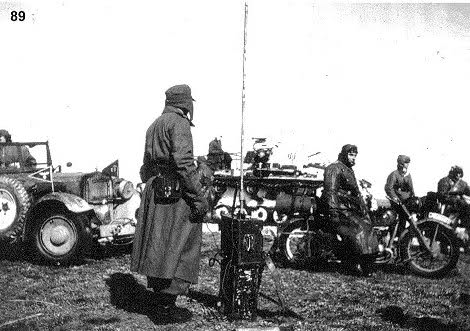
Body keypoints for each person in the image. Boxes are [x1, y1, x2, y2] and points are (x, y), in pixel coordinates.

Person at [131, 84, 208, 323]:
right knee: (181, 245)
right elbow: (184, 163)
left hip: (156, 192)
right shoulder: (179, 123)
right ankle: (166, 308)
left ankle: (160, 302)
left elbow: (145, 166)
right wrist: (198, 198)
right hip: (175, 195)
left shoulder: (154, 125)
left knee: (159, 246)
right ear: (185, 103)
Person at [321, 144, 379, 277]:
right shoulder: (334, 168)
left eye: (355, 155)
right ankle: (355, 265)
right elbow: (331, 192)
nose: (353, 158)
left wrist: (365, 211)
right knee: (360, 228)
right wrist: (334, 212)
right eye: (351, 154)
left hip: (349, 208)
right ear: (344, 154)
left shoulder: (347, 169)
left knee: (368, 226)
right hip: (340, 208)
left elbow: (356, 193)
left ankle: (365, 263)